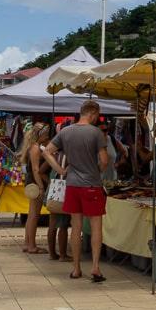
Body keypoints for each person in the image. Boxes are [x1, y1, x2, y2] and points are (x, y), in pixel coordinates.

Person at [44, 100, 109, 281]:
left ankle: (76, 268)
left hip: (72, 184)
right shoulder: (96, 133)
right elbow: (104, 160)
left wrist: (60, 170)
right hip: (92, 185)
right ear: (93, 113)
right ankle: (95, 268)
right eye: (98, 115)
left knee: (76, 226)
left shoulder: (66, 131)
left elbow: (47, 152)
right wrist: (98, 170)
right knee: (96, 227)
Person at [20, 122, 52, 254]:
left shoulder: (34, 146)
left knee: (31, 214)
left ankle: (28, 244)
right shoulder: (35, 148)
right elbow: (35, 169)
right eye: (46, 133)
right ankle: (32, 245)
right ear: (41, 134)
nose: (48, 135)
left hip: (32, 181)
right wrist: (40, 187)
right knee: (34, 215)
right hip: (35, 182)